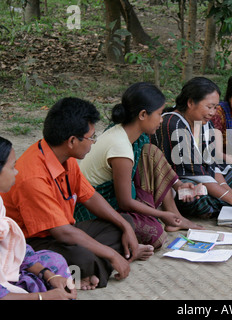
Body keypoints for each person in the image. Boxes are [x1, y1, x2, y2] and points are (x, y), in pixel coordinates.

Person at [1, 97, 153, 290]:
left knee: (124, 223)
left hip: (64, 229)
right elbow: (63, 233)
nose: (93, 143)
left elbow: (90, 196)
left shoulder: (65, 156)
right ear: (72, 141)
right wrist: (111, 254)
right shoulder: (33, 177)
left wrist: (125, 226)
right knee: (84, 258)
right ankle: (108, 262)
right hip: (33, 242)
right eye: (91, 137)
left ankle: (98, 267)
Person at [76, 82, 203, 249]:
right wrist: (161, 214)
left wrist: (178, 185)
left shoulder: (130, 133)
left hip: (116, 199)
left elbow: (151, 158)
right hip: (92, 210)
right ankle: (168, 216)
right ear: (143, 115)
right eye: (159, 114)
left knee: (150, 151)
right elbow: (125, 202)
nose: (161, 119)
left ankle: (175, 217)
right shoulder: (120, 147)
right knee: (156, 236)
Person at [151, 77, 232, 218]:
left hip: (206, 180)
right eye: (209, 107)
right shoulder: (173, 124)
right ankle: (217, 206)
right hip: (180, 182)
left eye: (215, 107)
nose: (212, 112)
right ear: (190, 102)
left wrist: (230, 193)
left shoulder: (204, 123)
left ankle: (216, 205)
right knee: (193, 192)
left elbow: (212, 166)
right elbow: (195, 173)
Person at [0, 136, 76, 300]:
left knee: (54, 261)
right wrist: (43, 297)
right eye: (12, 167)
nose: (16, 172)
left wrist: (49, 275)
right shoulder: (32, 178)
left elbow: (16, 246)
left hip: (7, 268)